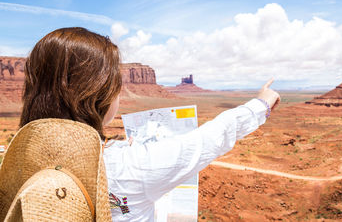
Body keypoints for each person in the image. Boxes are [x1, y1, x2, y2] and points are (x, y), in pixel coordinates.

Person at [16, 27, 280, 221]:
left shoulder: (19, 161)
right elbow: (211, 138)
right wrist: (262, 104)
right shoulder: (131, 165)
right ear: (97, 96)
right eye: (115, 86)